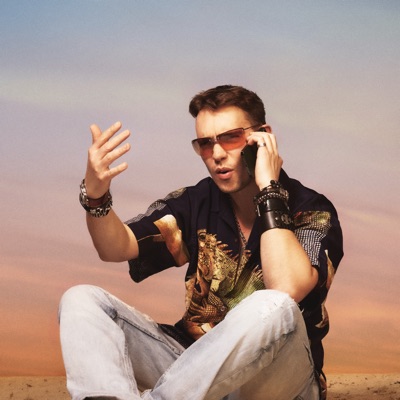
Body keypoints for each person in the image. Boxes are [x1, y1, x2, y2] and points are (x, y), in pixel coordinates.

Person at [59, 85, 343, 400]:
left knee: (274, 305)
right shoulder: (196, 201)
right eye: (206, 143)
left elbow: (286, 288)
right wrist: (96, 196)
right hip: (191, 373)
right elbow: (116, 247)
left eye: (231, 137)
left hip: (278, 379)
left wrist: (268, 188)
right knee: (81, 299)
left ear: (263, 137)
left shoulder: (311, 209)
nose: (217, 154)